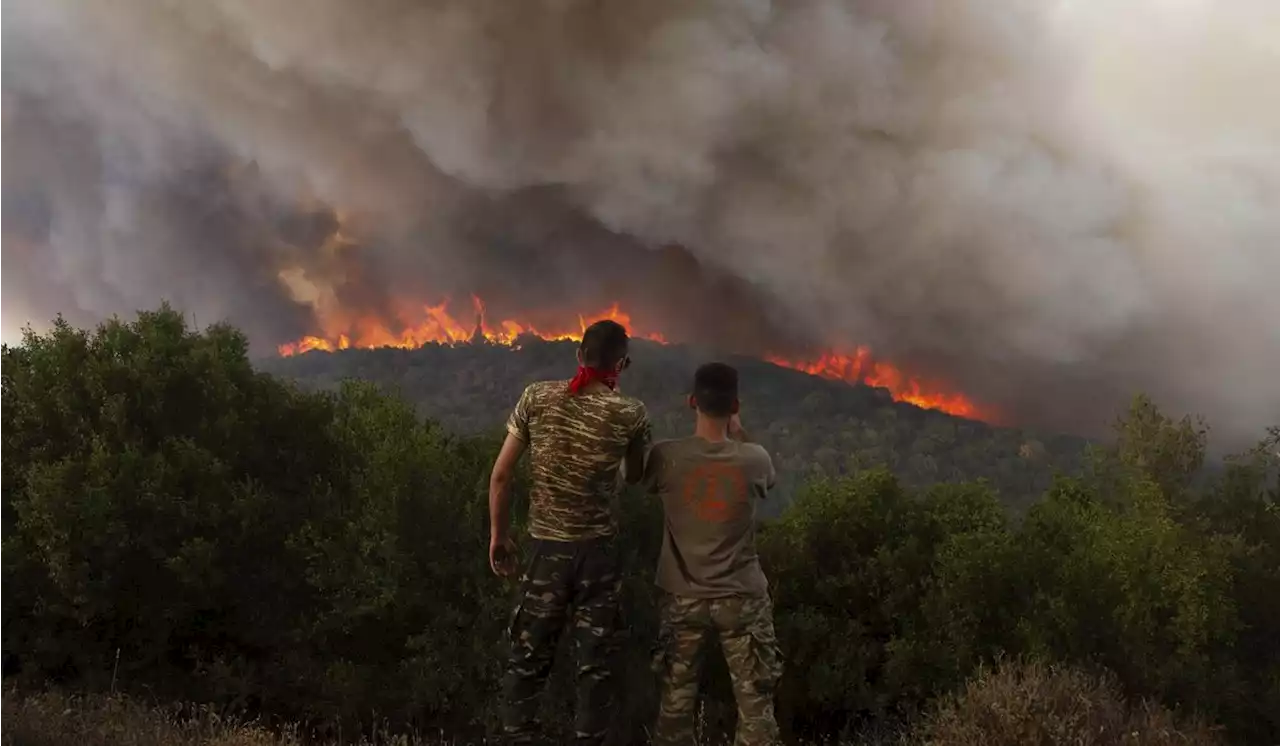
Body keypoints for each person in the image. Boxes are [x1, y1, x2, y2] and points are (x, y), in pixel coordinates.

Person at [488, 319, 652, 745]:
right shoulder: (630, 413)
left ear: (579, 355)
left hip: (545, 552)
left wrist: (499, 536)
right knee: (595, 666)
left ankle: (517, 735)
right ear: (623, 363)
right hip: (598, 555)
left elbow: (502, 476)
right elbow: (634, 476)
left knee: (527, 658)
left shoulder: (536, 397)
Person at [644, 362, 782, 746]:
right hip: (742, 598)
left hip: (682, 599)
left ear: (692, 402)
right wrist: (738, 433)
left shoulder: (665, 458)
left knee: (674, 708)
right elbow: (769, 481)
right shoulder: (754, 458)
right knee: (756, 708)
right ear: (735, 405)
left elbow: (630, 474)